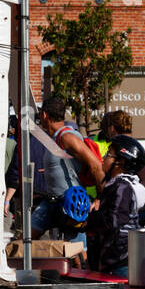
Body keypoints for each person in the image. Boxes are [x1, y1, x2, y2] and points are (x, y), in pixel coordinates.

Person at [31, 96, 104, 241]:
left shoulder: (67, 136)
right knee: (24, 242)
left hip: (73, 205)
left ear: (45, 115)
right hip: (51, 202)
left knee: (77, 255)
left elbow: (96, 165)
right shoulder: (54, 137)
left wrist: (99, 199)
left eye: (40, 114)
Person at [85, 136, 145, 277]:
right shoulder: (114, 186)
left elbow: (114, 220)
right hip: (112, 259)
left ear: (121, 161)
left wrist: (92, 217)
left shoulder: (122, 187)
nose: (103, 156)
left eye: (108, 154)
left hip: (121, 260)